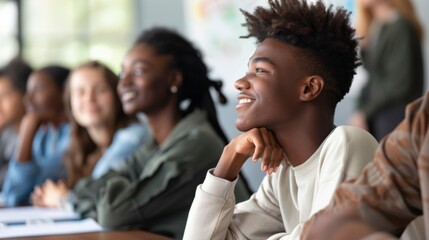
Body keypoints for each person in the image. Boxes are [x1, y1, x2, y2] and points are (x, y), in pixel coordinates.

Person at [183, 0, 380, 239]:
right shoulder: (282, 177)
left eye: (260, 71)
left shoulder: (349, 143)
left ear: (309, 88)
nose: (240, 83)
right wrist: (229, 160)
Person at [67, 28, 251, 239]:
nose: (124, 83)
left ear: (174, 79)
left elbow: (112, 214)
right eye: (123, 73)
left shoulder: (194, 144)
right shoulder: (154, 143)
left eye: (137, 72)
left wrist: (103, 201)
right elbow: (83, 190)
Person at [301, 91, 429, 240]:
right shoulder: (422, 124)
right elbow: (328, 224)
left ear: (310, 88)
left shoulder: (347, 143)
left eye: (266, 70)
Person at [30, 61, 147, 208]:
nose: (89, 98)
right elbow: (35, 184)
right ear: (69, 102)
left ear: (117, 95)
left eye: (100, 89)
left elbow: (98, 194)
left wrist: (63, 199)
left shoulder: (133, 136)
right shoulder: (79, 143)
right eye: (80, 92)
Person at [348, 0, 424, 141]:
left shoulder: (400, 27)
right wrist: (360, 111)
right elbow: (373, 77)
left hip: (395, 119)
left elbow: (399, 84)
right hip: (381, 117)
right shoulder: (377, 27)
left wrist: (365, 111)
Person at [2, 65, 70, 206]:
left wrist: (29, 126)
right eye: (28, 91)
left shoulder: (72, 135)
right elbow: (12, 193)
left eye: (38, 89)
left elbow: (20, 194)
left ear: (65, 93)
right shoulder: (44, 136)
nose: (28, 98)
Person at [0, 58, 32, 191]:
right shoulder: (8, 133)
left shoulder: (40, 135)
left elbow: (14, 187)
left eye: (5, 96)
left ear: (26, 94)